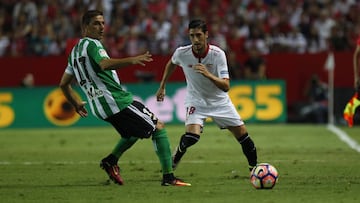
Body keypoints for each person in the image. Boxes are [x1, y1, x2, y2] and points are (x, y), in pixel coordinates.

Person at [59, 10, 190, 187]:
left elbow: (64, 84)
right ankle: (168, 177)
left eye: (103, 23)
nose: (102, 27)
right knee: (158, 127)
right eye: (96, 23)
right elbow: (104, 64)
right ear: (85, 27)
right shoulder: (93, 45)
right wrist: (132, 60)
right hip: (115, 100)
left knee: (133, 132)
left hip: (99, 106)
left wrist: (76, 103)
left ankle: (110, 161)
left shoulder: (74, 53)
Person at [156, 19, 258, 172]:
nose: (195, 40)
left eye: (198, 35)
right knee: (191, 137)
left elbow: (226, 86)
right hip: (196, 101)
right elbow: (171, 64)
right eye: (192, 36)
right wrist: (162, 85)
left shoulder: (218, 55)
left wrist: (208, 74)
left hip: (219, 101)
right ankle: (177, 155)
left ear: (206, 35)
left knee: (243, 136)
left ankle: (255, 170)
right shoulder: (182, 53)